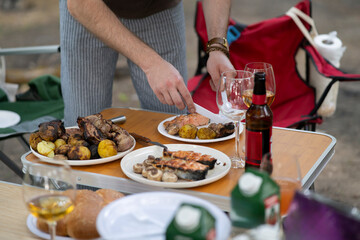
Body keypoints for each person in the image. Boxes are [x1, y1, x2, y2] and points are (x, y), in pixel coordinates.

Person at [60, 0, 234, 126]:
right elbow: (80, 4)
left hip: (158, 11)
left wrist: (217, 47)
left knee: (172, 123)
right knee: (82, 125)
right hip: (89, 11)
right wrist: (152, 64)